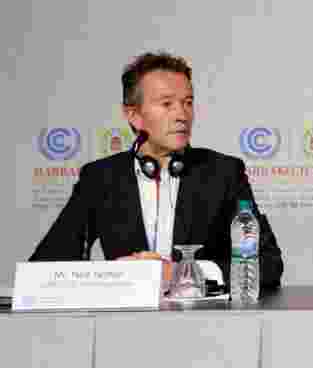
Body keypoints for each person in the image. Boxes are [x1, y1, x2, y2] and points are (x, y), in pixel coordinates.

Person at [30, 52, 284, 288]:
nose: (182, 115)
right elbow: (43, 269)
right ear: (134, 115)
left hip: (206, 325)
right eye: (167, 104)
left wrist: (181, 273)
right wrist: (114, 274)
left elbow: (269, 265)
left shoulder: (223, 173)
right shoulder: (100, 178)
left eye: (187, 103)